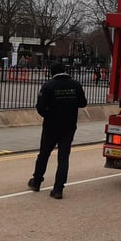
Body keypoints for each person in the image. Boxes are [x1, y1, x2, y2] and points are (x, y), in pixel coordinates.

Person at [28, 62, 87, 199]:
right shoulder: (75, 85)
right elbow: (83, 103)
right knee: (63, 157)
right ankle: (58, 189)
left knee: (44, 154)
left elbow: (41, 108)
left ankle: (36, 181)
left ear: (52, 72)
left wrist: (50, 114)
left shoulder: (48, 86)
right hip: (69, 126)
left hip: (51, 126)